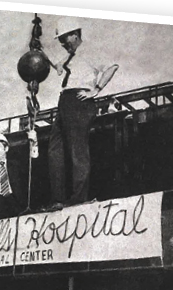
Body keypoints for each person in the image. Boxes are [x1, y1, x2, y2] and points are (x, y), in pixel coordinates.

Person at [43, 18, 119, 207]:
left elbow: (112, 67)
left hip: (79, 101)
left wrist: (96, 89)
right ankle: (58, 199)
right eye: (60, 40)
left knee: (78, 150)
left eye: (64, 39)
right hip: (65, 101)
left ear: (75, 35)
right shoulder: (72, 56)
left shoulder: (91, 50)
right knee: (55, 150)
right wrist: (41, 51)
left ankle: (79, 198)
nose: (62, 43)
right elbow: (58, 67)